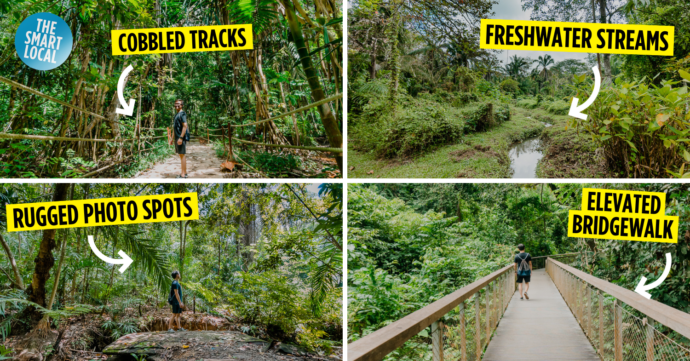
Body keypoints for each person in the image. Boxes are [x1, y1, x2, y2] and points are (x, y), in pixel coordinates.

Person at [173, 99, 189, 179]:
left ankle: (183, 175)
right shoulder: (177, 114)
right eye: (175, 103)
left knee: (182, 155)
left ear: (182, 105)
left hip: (180, 137)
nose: (176, 105)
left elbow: (185, 126)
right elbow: (174, 127)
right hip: (177, 137)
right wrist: (173, 138)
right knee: (181, 155)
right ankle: (184, 172)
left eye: (178, 104)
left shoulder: (182, 114)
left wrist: (181, 138)